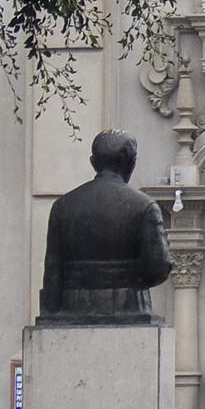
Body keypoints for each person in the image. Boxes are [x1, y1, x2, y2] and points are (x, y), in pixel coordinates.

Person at [39, 130, 173, 323]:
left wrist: (51, 313)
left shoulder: (62, 206)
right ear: (131, 163)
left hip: (72, 306)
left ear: (93, 162)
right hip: (130, 306)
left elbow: (52, 268)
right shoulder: (145, 207)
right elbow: (157, 268)